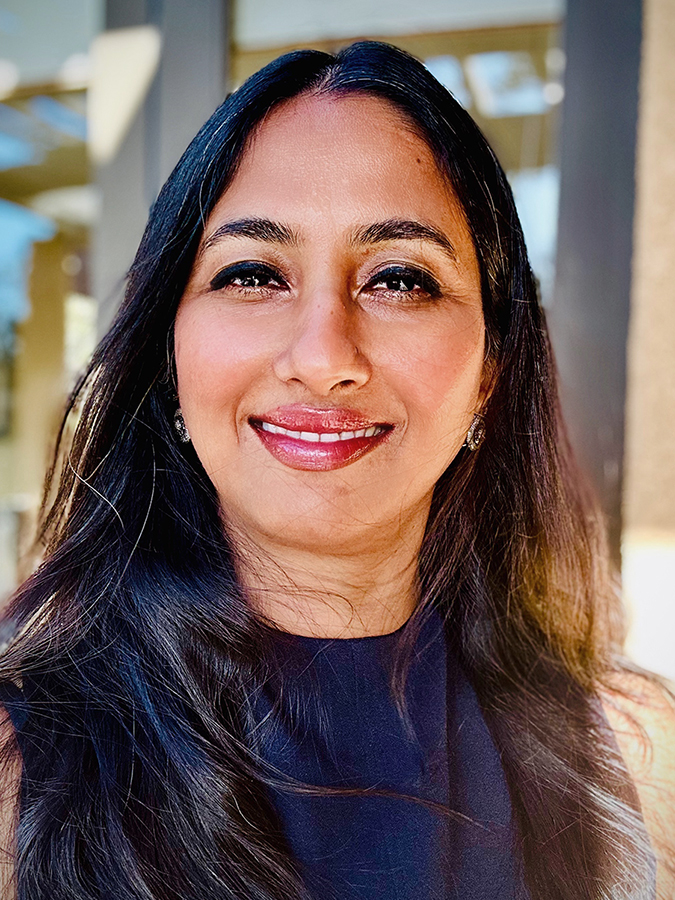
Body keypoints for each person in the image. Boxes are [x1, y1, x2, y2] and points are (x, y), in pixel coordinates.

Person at [0, 40, 673, 900]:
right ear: (168, 358)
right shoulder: (17, 769)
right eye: (253, 274)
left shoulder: (635, 758)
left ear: (490, 370)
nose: (322, 359)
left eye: (399, 280)